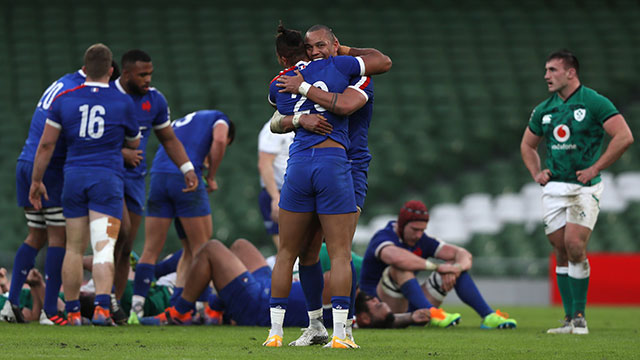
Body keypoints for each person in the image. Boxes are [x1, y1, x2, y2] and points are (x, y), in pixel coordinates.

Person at [265, 23, 391, 349]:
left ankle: (344, 328)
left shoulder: (354, 73)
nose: (317, 52)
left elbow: (346, 104)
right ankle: (316, 326)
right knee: (308, 253)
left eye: (323, 46)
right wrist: (298, 119)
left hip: (350, 165)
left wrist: (305, 87)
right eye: (312, 48)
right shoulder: (319, 72)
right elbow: (277, 121)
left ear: (336, 44)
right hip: (323, 162)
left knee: (339, 248)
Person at [520, 50, 633, 335]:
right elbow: (527, 145)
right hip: (554, 187)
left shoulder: (594, 101)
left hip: (585, 186)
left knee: (574, 245)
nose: (546, 75)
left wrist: (596, 167)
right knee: (559, 248)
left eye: (552, 70)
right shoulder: (544, 109)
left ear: (571, 72)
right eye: (546, 70)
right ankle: (569, 320)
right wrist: (537, 172)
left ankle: (580, 317)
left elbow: (624, 136)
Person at [29, 43, 141, 326]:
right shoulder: (123, 102)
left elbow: (46, 145)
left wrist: (36, 180)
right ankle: (103, 309)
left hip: (74, 179)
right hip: (107, 180)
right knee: (103, 247)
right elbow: (134, 143)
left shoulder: (65, 99)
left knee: (74, 249)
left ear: (84, 68)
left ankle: (73, 311)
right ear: (112, 70)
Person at [113, 50, 197, 323]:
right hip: (107, 176)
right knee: (119, 233)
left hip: (136, 179)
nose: (148, 79)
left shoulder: (155, 100)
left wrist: (187, 168)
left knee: (125, 247)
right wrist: (121, 154)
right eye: (142, 75)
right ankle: (100, 301)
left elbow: (169, 139)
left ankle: (112, 305)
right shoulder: (106, 96)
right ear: (126, 74)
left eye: (150, 74)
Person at [128, 109, 234, 324]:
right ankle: (200, 310)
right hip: (186, 178)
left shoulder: (183, 122)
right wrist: (211, 176)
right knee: (202, 249)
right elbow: (221, 140)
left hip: (158, 178)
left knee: (154, 249)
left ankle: (137, 311)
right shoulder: (219, 118)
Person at [4, 67, 87, 325]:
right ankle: (50, 310)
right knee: (58, 237)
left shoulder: (61, 83)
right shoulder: (80, 91)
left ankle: (11, 303)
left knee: (36, 234)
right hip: (47, 167)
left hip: (26, 161)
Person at [360, 200, 517, 329]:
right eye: (414, 229)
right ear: (401, 225)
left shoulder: (422, 240)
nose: (418, 235)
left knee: (452, 265)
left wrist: (455, 268)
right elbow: (396, 258)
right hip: (380, 308)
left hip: (409, 305)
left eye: (422, 230)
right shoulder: (383, 236)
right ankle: (432, 313)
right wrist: (437, 267)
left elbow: (463, 254)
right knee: (400, 267)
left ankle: (488, 316)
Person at [257, 119, 294, 249]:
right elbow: (264, 163)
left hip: (301, 191)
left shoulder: (306, 124)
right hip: (280, 191)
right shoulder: (272, 128)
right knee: (286, 249)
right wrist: (275, 197)